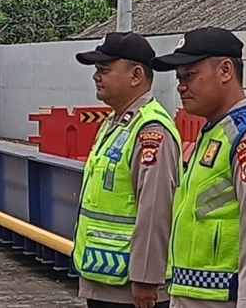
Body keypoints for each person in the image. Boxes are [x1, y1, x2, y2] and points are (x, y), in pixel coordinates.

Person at [150, 28, 246, 308]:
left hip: (229, 300)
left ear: (225, 70)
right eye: (179, 78)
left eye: (189, 75)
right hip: (197, 297)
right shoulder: (216, 132)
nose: (180, 87)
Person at [73, 32, 181, 308]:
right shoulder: (115, 123)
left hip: (132, 289)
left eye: (104, 70)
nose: (96, 77)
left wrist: (146, 278)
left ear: (136, 75)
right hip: (104, 276)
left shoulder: (151, 130)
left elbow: (155, 209)